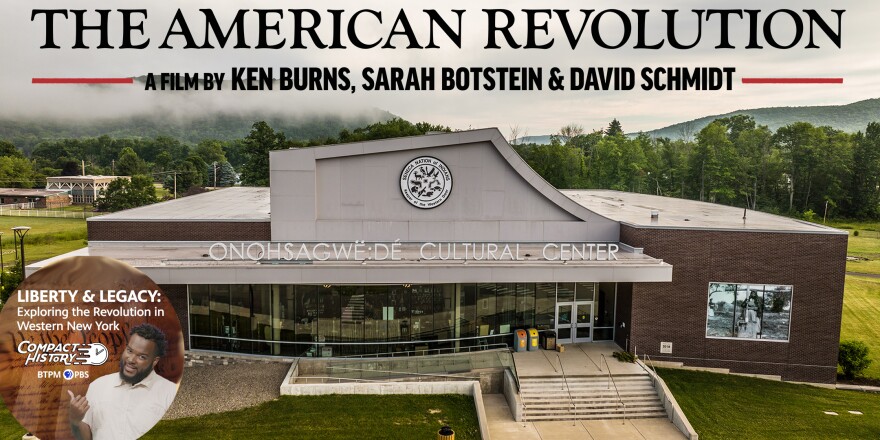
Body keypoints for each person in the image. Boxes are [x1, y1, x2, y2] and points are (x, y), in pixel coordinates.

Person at [68, 324, 178, 440]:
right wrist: (75, 421)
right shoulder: (97, 386)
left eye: (141, 357)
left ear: (154, 361)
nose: (131, 360)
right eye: (129, 351)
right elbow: (87, 438)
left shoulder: (170, 393)